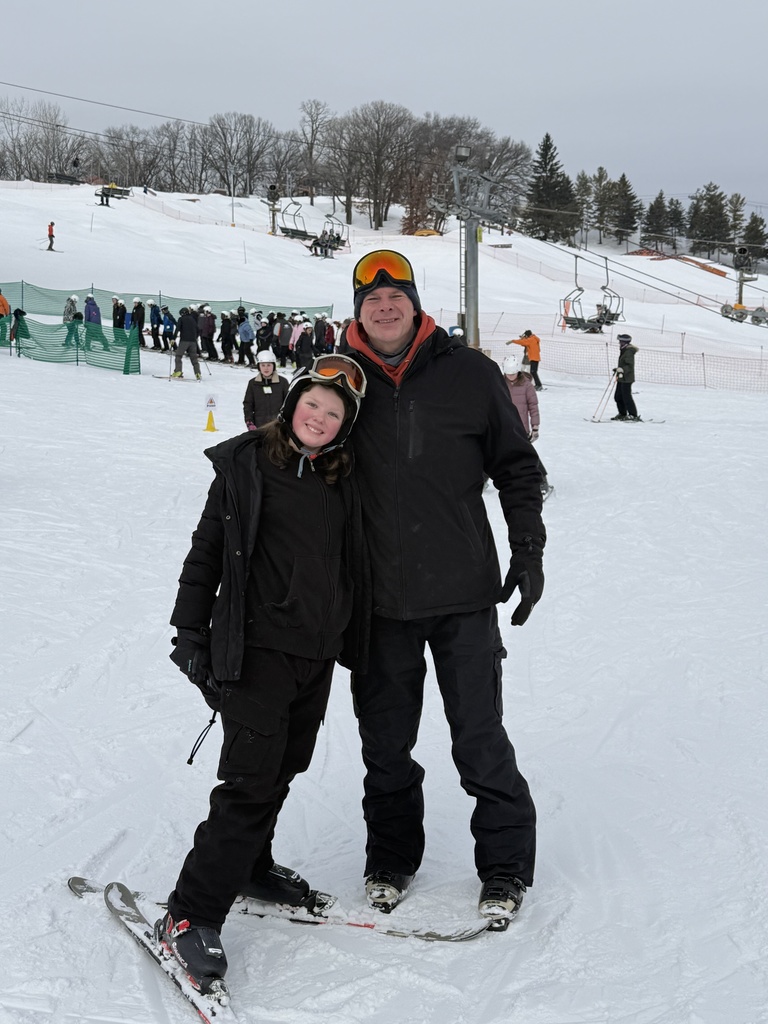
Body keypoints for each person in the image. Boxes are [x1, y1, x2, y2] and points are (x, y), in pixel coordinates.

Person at [340, 250, 545, 925]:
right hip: (377, 602)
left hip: (462, 596)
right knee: (385, 746)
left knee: (480, 740)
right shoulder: (338, 381)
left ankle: (506, 867)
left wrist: (528, 548)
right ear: (357, 308)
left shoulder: (471, 375)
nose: (386, 306)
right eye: (373, 299)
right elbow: (297, 470)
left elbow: (517, 468)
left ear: (417, 303)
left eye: (397, 295)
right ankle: (392, 858)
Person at [157, 354, 369, 999]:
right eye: (313, 404)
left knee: (284, 767)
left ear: (343, 428)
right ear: (292, 401)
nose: (320, 418)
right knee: (250, 781)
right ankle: (190, 912)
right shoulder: (248, 466)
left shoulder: (342, 479)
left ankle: (248, 865)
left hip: (315, 653)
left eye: (334, 415)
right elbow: (208, 551)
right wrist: (188, 633)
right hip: (256, 651)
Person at [502, 354, 553, 499]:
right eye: (508, 374)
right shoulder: (500, 383)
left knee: (527, 455)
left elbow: (533, 407)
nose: (510, 376)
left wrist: (535, 427)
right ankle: (482, 480)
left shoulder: (526, 385)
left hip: (521, 428)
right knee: (495, 453)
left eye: (512, 373)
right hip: (504, 427)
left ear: (517, 370)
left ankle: (542, 481)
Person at [242, 350, 290, 428]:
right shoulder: (253, 383)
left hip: (278, 426)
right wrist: (249, 421)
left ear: (273, 366)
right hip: (259, 425)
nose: (266, 368)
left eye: (269, 365)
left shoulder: (282, 382)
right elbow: (248, 404)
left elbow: (288, 403)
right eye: (263, 365)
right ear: (259, 366)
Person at [612, 333, 641, 421]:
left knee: (626, 397)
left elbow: (629, 366)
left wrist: (621, 369)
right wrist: (618, 369)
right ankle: (622, 413)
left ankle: (633, 415)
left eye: (620, 341)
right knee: (618, 396)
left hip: (627, 378)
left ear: (625, 342)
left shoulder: (628, 352)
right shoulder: (624, 350)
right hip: (621, 377)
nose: (619, 343)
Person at [172, 307, 202, 379]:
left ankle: (178, 371)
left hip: (184, 341)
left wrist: (173, 338)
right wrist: (195, 337)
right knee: (194, 358)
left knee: (178, 356)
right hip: (193, 342)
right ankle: (198, 373)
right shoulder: (193, 319)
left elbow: (177, 329)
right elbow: (198, 330)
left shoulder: (181, 319)